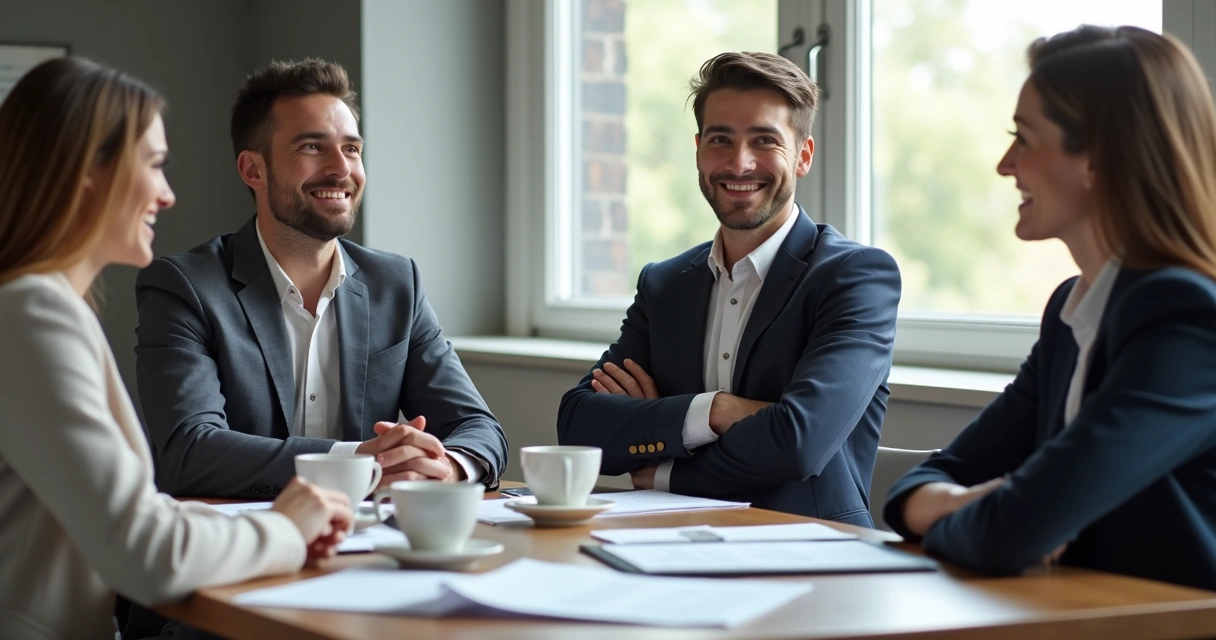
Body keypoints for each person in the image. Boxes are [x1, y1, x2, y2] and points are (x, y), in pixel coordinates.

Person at [0, 57, 353, 640]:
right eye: (156, 166)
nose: (167, 195)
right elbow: (145, 551)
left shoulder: (42, 308)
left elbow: (129, 516)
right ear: (87, 171)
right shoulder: (32, 316)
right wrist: (287, 529)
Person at [885, 25, 1216, 590]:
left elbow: (1007, 534)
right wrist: (955, 505)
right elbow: (916, 487)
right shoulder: (1072, 308)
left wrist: (970, 514)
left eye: (1024, 138)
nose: (1004, 164)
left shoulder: (1185, 317)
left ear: (1098, 160)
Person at [134, 59, 508, 499]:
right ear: (253, 170)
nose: (341, 169)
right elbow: (190, 451)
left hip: (373, 544)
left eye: (351, 149)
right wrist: (358, 463)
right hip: (243, 549)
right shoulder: (185, 287)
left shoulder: (396, 284)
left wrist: (445, 468)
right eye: (312, 147)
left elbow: (478, 428)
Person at [556, 52, 901, 525]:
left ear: (803, 155)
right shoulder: (664, 283)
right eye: (721, 139)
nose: (740, 164)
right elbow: (579, 427)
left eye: (765, 140)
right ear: (699, 150)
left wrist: (664, 469)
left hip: (814, 554)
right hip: (671, 545)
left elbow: (799, 443)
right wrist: (716, 411)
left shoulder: (855, 277)